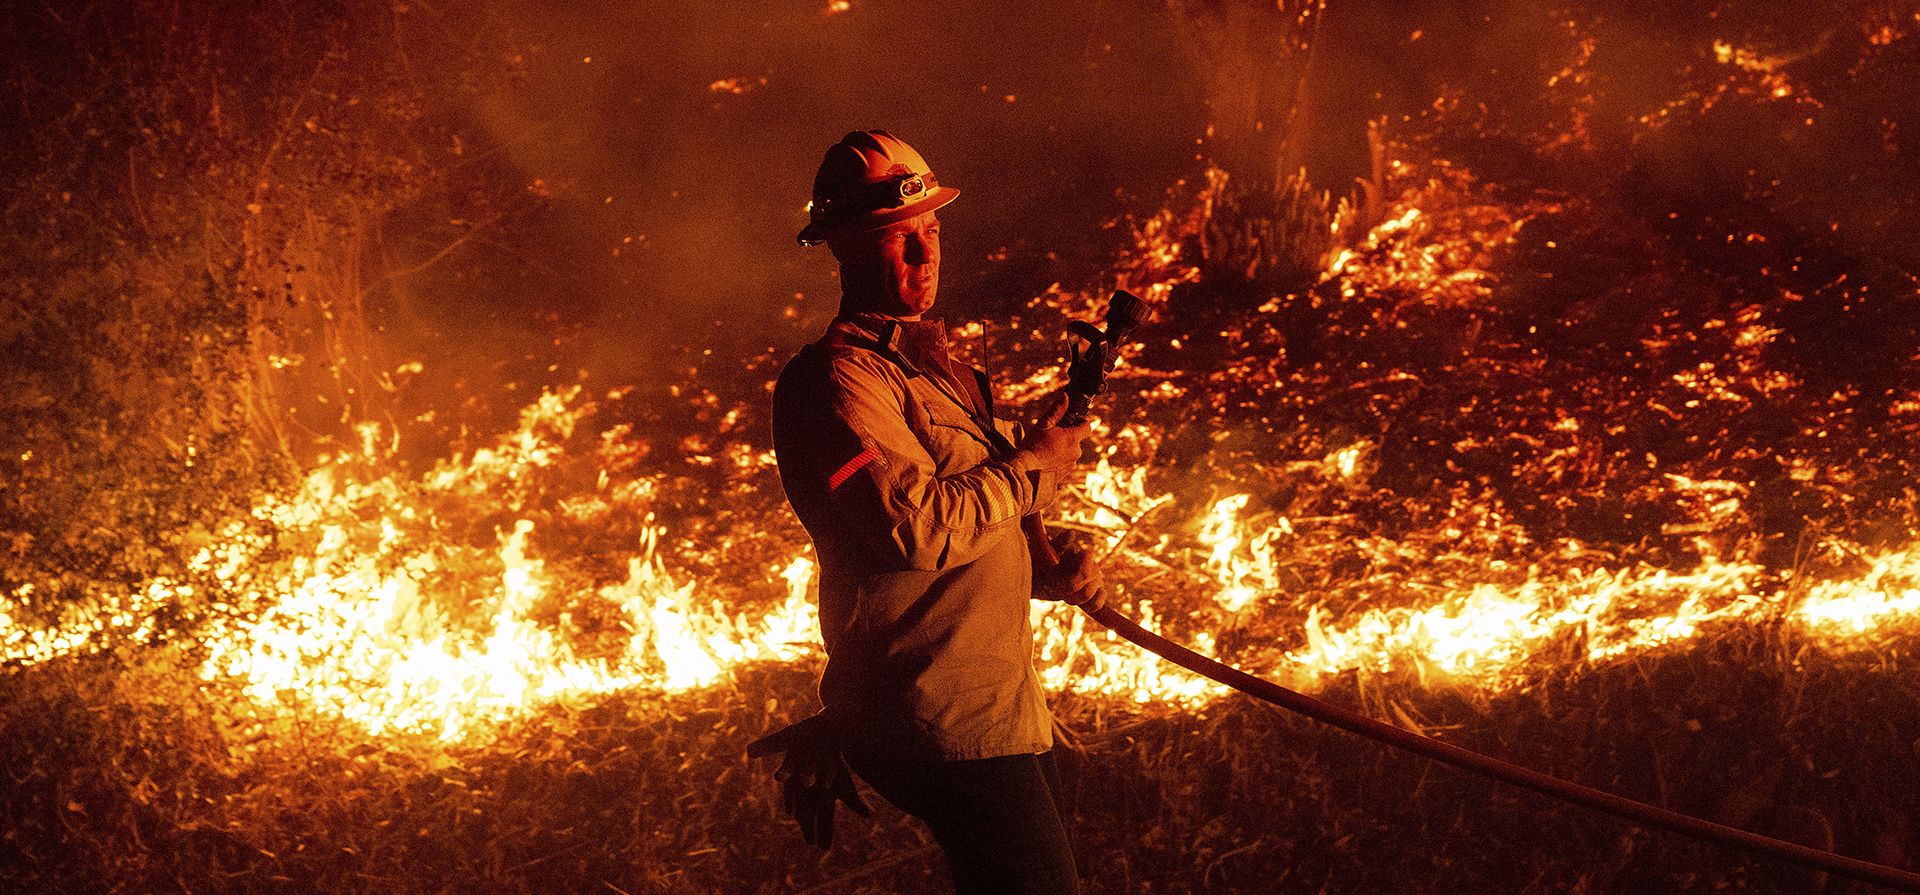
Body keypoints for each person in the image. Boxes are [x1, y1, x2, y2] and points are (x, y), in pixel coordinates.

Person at [752, 130, 1104, 895]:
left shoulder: (941, 371)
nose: (923, 254)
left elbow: (986, 512)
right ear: (843, 247)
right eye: (895, 237)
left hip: (1000, 703)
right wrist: (1033, 465)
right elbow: (915, 528)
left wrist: (1050, 565)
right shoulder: (839, 385)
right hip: (942, 717)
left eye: (931, 231)